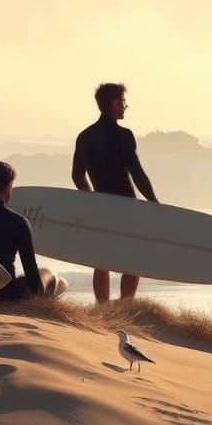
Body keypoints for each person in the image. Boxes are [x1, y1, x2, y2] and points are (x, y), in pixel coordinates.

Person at [71, 81, 158, 302]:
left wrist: (91, 198)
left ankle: (102, 308)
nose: (125, 107)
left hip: (101, 205)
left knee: (102, 259)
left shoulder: (84, 136)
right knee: (133, 258)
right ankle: (125, 305)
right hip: (126, 205)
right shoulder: (123, 135)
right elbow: (137, 174)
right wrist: (154, 203)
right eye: (123, 102)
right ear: (114, 103)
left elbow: (77, 177)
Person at [0, 161, 65, 300]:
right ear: (9, 187)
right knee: (52, 276)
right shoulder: (19, 222)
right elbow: (30, 268)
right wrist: (40, 291)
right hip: (6, 292)